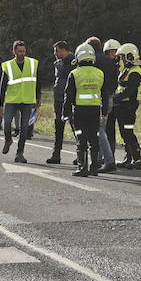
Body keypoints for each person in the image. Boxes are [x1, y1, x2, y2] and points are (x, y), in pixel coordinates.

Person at [64, 44, 106, 177]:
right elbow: (104, 94)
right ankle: (94, 168)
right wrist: (104, 111)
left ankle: (82, 168)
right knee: (94, 139)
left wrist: (66, 113)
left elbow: (68, 95)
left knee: (81, 139)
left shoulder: (74, 74)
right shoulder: (100, 73)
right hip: (95, 111)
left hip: (80, 112)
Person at [0, 41, 39, 163]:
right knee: (6, 123)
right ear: (14, 52)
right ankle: (8, 139)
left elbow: (39, 82)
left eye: (23, 51)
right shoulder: (8, 65)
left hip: (27, 100)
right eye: (19, 51)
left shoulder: (32, 63)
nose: (22, 53)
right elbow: (2, 86)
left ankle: (19, 153)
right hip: (12, 100)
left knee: (24, 128)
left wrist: (38, 99)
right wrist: (0, 105)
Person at [87, 37, 118, 173]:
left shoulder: (94, 61)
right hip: (109, 97)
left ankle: (109, 161)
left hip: (98, 98)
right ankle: (98, 160)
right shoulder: (109, 61)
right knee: (101, 129)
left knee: (99, 131)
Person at [114, 42, 141, 169]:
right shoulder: (128, 69)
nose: (121, 59)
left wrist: (115, 97)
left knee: (128, 131)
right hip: (123, 105)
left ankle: (137, 160)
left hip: (129, 106)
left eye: (123, 57)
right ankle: (128, 158)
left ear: (129, 56)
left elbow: (129, 90)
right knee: (124, 132)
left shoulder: (135, 72)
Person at [46, 41, 75, 165]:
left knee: (75, 126)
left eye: (56, 51)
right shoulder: (60, 63)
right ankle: (56, 154)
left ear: (63, 50)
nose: (54, 54)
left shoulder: (72, 61)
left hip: (68, 100)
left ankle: (81, 154)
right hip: (59, 99)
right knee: (58, 127)